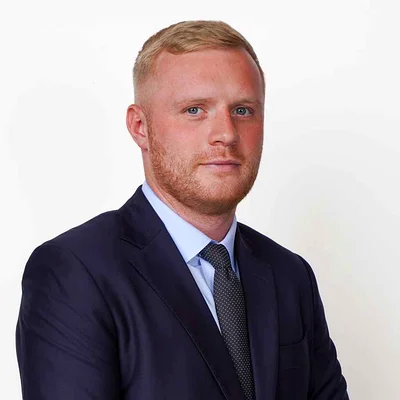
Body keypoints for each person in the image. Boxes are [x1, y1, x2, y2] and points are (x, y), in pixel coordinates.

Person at [15, 20, 349, 400]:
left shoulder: (290, 276)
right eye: (194, 110)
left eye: (242, 110)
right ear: (140, 126)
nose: (226, 133)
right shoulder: (75, 273)